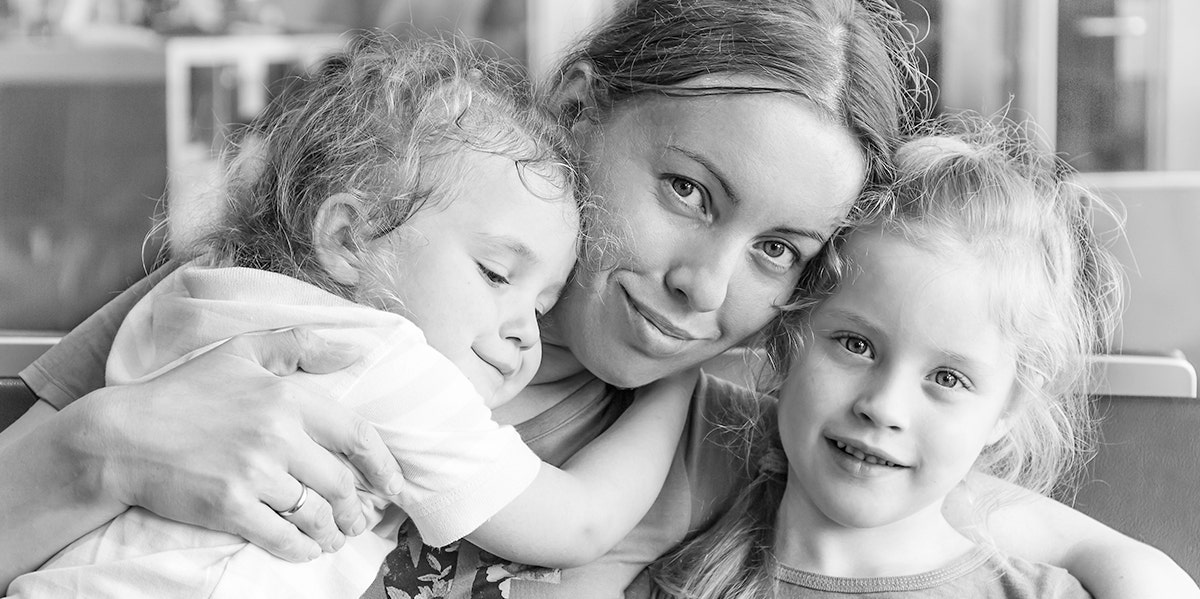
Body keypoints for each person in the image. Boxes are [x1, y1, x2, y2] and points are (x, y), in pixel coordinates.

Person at [1, 1, 1196, 598]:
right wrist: (103, 451)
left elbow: (991, 506)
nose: (705, 283)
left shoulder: (733, 429)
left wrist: (1126, 566)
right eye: (687, 188)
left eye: (780, 249)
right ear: (577, 115)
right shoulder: (299, 294)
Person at [5, 31, 695, 599]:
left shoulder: (200, 290)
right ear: (346, 239)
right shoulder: (380, 356)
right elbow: (576, 524)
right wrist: (678, 383)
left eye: (542, 304)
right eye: (495, 275)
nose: (524, 331)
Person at [653, 122, 1123, 598]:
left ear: (1010, 407)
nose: (884, 407)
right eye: (856, 345)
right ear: (789, 334)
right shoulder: (675, 575)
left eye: (948, 378)